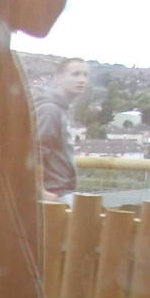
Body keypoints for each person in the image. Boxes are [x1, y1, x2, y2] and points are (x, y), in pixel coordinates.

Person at [32, 58, 90, 202]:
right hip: (53, 194)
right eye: (75, 74)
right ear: (58, 78)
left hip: (60, 191)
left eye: (85, 75)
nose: (82, 80)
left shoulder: (61, 109)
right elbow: (36, 153)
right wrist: (41, 192)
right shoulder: (49, 110)